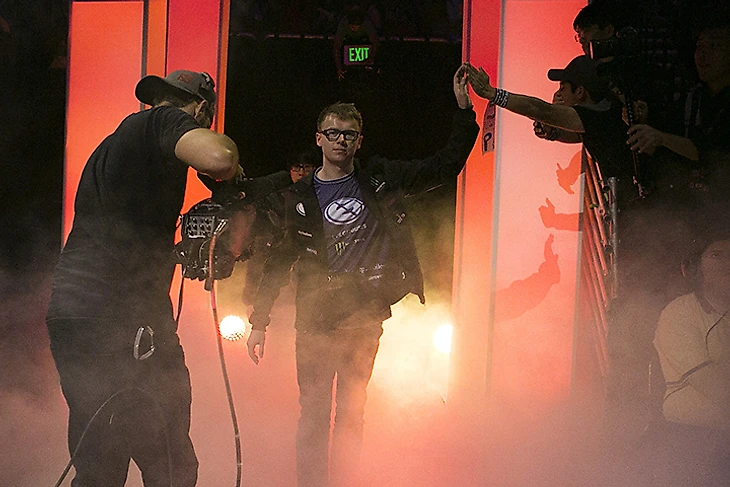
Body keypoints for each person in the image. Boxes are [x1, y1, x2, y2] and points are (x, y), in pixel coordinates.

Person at [246, 64, 478, 487]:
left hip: (363, 317)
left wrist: (464, 111)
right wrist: (259, 321)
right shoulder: (298, 197)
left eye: (349, 134)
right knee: (313, 414)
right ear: (319, 138)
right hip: (315, 321)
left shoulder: (380, 180)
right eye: (333, 133)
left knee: (352, 411)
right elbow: (278, 261)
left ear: (359, 141)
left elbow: (444, 167)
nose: (341, 140)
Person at [45, 70, 241, 486]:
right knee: (169, 461)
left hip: (77, 313)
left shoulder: (117, 145)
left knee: (100, 461)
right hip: (121, 314)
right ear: (202, 109)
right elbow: (220, 158)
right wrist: (235, 173)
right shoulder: (161, 121)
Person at [650, 232, 730, 486]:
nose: (727, 263)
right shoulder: (681, 312)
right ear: (697, 267)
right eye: (716, 255)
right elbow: (711, 384)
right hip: (691, 443)